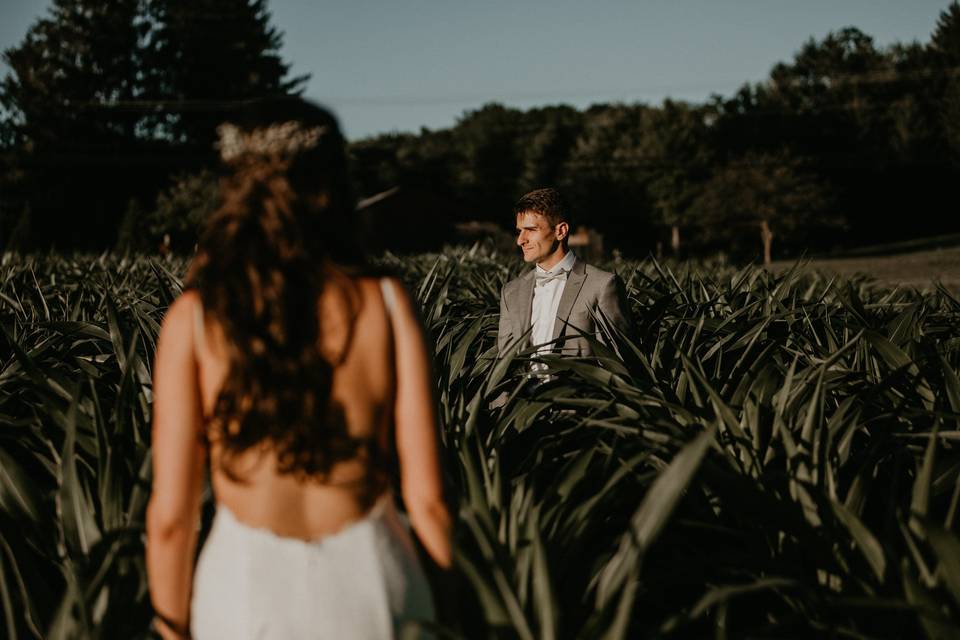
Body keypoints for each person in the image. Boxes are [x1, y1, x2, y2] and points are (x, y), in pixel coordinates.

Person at [146, 97, 451, 640]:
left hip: (241, 595)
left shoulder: (194, 319)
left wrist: (171, 631)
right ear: (332, 188)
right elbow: (427, 500)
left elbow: (172, 519)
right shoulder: (385, 302)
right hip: (375, 587)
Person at [497, 188, 633, 359]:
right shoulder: (510, 292)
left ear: (560, 231)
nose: (520, 240)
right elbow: (504, 364)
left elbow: (615, 364)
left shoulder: (603, 285)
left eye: (531, 230)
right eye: (519, 231)